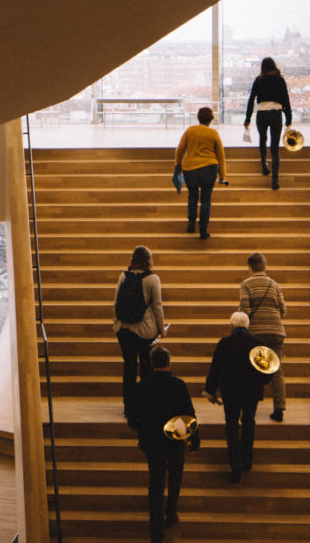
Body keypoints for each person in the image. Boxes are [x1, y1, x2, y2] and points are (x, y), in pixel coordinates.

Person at [133, 345, 195, 543]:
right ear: (169, 362)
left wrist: (143, 431)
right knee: (175, 477)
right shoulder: (179, 385)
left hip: (152, 441)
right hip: (174, 440)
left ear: (151, 363)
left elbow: (133, 417)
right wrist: (194, 442)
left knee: (156, 482)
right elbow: (189, 415)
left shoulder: (142, 385)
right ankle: (171, 513)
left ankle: (156, 532)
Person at [203, 311, 270, 483]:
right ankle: (247, 460)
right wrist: (262, 382)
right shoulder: (258, 343)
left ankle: (235, 466)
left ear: (231, 326)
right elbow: (267, 371)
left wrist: (210, 390)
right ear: (248, 326)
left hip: (230, 391)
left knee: (231, 426)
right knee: (249, 422)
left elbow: (215, 369)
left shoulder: (224, 343)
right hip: (251, 391)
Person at [112, 245, 166, 423]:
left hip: (124, 329)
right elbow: (157, 306)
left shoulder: (123, 275)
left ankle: (128, 406)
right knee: (145, 368)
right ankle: (145, 404)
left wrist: (118, 321)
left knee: (129, 367)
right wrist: (161, 329)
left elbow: (115, 301)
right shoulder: (153, 279)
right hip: (144, 330)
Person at [239, 251, 287, 422]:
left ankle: (249, 409)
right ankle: (279, 409)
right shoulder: (275, 285)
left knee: (251, 370)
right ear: (264, 266)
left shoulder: (246, 284)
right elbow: (283, 310)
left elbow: (245, 311)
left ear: (250, 267)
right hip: (276, 332)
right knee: (277, 371)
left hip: (256, 334)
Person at [174, 106, 227, 239]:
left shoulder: (190, 130)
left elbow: (180, 150)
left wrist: (178, 165)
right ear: (211, 119)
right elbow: (221, 156)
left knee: (192, 196)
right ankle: (203, 229)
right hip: (209, 168)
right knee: (205, 199)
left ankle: (191, 223)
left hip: (190, 168)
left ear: (198, 118)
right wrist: (222, 175)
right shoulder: (213, 133)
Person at [243, 57, 292, 190]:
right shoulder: (280, 80)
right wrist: (289, 118)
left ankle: (264, 165)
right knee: (275, 148)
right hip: (276, 113)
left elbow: (251, 99)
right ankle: (275, 181)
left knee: (263, 139)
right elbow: (286, 100)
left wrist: (247, 119)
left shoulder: (259, 80)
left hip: (262, 114)